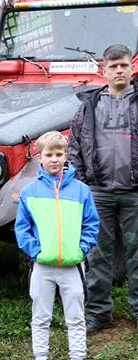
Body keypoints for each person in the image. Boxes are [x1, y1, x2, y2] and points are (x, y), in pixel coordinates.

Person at [15, 131, 100, 360]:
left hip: (72, 267)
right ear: (39, 158)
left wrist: (81, 250)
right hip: (43, 267)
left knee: (75, 317)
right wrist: (36, 252)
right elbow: (22, 228)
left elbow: (91, 224)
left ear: (66, 156)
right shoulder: (29, 192)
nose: (54, 159)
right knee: (40, 317)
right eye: (49, 154)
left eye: (59, 154)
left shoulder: (81, 191)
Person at [68, 44, 138, 335]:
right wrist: (81, 183)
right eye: (113, 66)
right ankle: (98, 313)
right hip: (98, 192)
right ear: (104, 70)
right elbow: (74, 147)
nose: (119, 70)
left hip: (135, 192)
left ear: (132, 68)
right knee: (97, 254)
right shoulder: (89, 106)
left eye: (124, 65)